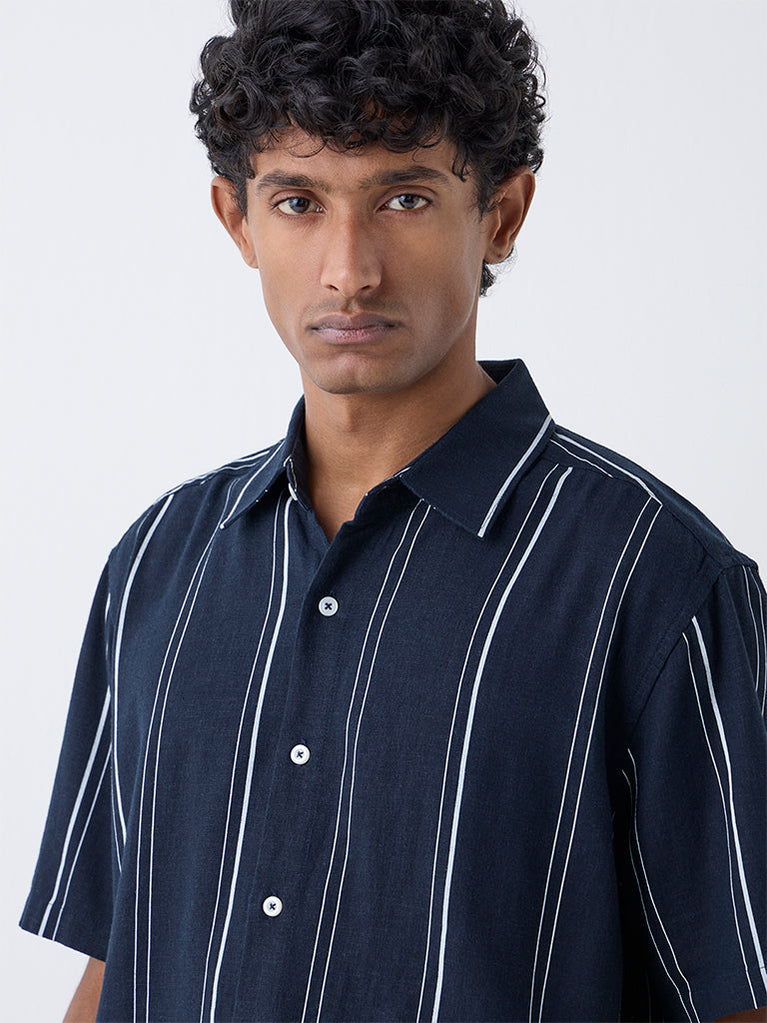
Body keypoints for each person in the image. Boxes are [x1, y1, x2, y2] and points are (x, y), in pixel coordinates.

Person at [20, 1, 766, 1020]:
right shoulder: (158, 565)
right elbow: (118, 962)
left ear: (500, 213)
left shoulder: (657, 582)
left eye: (404, 198)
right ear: (235, 219)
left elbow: (734, 993)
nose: (348, 269)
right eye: (297, 202)